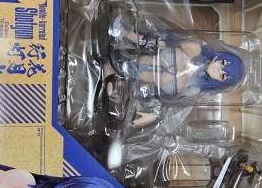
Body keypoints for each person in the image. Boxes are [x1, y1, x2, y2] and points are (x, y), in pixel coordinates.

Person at [100, 16, 246, 128]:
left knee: (116, 103)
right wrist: (126, 33)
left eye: (222, 75)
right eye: (223, 63)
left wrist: (154, 116)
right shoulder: (194, 49)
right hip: (130, 54)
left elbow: (166, 103)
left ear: (220, 82)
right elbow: (158, 43)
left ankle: (109, 80)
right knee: (110, 60)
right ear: (220, 57)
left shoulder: (194, 88)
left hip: (132, 82)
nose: (218, 69)